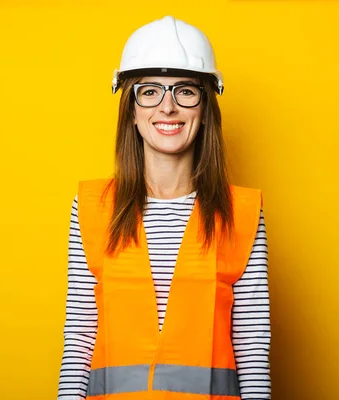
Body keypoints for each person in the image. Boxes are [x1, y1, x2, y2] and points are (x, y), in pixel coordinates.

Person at [58, 15, 271, 400]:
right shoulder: (91, 208)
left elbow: (253, 348)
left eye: (185, 91)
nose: (168, 107)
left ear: (205, 107)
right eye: (150, 91)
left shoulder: (241, 212)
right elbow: (78, 339)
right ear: (131, 109)